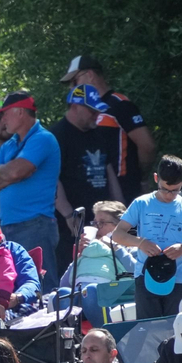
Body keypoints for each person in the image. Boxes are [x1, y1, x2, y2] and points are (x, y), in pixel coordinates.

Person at [0, 92, 62, 287]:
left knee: (43, 285)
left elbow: (18, 171)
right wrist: (10, 172)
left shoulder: (43, 138)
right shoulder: (9, 145)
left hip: (35, 224)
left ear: (20, 112)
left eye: (5, 114)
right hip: (10, 226)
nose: (2, 119)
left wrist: (5, 171)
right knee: (18, 287)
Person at [113, 155, 182, 317]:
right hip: (146, 276)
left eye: (175, 190)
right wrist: (141, 243)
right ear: (156, 178)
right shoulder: (141, 203)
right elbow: (117, 234)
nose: (169, 195)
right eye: (165, 189)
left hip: (179, 279)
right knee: (148, 328)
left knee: (176, 328)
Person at [52, 84, 124, 278]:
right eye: (92, 110)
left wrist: (120, 209)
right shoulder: (57, 136)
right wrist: (68, 215)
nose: (96, 115)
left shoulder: (98, 134)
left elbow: (109, 171)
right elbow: (52, 179)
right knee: (73, 273)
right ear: (74, 107)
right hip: (70, 224)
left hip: (103, 220)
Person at [59, 55, 156, 197]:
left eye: (75, 81)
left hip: (123, 189)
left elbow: (147, 146)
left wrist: (141, 177)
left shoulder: (119, 105)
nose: (72, 88)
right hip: (95, 190)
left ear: (90, 75)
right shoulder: (78, 114)